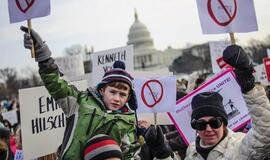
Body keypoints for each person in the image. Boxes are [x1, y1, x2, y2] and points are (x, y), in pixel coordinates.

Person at [21, 26, 140, 160]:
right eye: (112, 92)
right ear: (102, 90)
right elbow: (57, 84)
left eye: (122, 94)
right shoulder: (80, 102)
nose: (117, 98)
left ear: (129, 97)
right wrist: (42, 55)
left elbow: (129, 154)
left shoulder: (128, 122)